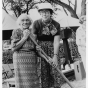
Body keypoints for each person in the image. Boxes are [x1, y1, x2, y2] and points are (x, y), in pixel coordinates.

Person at [32, 3, 61, 88]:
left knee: (55, 71)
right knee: (42, 72)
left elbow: (56, 41)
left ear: (50, 13)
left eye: (47, 12)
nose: (44, 14)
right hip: (41, 50)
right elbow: (34, 39)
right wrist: (36, 48)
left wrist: (55, 56)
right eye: (42, 12)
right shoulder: (36, 23)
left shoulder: (56, 24)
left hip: (53, 49)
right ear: (40, 13)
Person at [11, 14, 40, 88]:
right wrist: (24, 37)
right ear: (19, 22)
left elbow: (35, 49)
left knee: (33, 81)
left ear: (30, 22)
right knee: (22, 82)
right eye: (23, 20)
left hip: (32, 60)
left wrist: (37, 48)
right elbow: (14, 48)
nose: (25, 22)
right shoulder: (16, 31)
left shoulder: (33, 33)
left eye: (27, 20)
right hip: (20, 61)